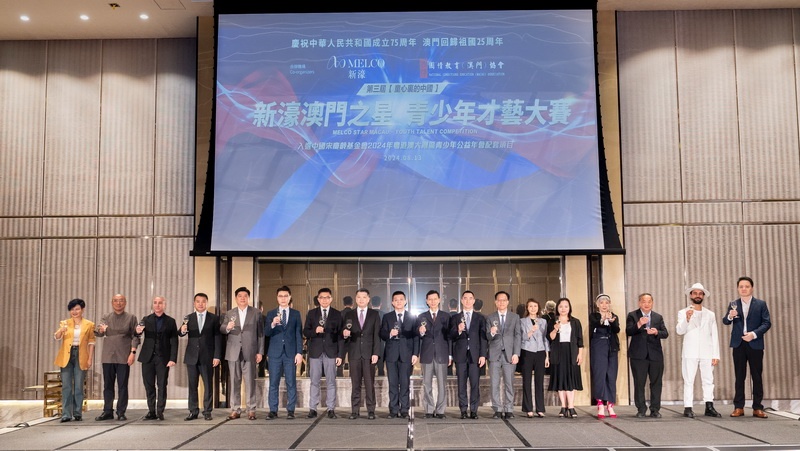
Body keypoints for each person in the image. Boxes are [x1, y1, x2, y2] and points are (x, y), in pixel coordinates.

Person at [722, 276, 771, 419]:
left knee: (757, 376)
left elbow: (767, 323)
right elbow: (725, 321)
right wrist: (730, 316)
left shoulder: (761, 304)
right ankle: (739, 407)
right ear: (738, 289)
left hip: (755, 343)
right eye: (741, 286)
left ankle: (757, 407)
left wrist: (753, 334)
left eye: (747, 286)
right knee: (739, 376)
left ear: (752, 288)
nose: (744, 289)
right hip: (738, 344)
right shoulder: (733, 304)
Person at [676, 283, 721, 418]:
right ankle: (688, 407)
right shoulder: (683, 312)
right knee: (688, 380)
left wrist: (716, 354)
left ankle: (709, 406)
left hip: (707, 351)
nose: (698, 296)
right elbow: (679, 331)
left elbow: (714, 334)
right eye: (695, 293)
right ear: (691, 295)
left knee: (708, 380)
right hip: (690, 351)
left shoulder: (710, 314)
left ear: (703, 296)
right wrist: (687, 318)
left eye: (700, 293)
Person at [221, 286, 264, 420]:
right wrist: (227, 327)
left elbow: (261, 334)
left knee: (250, 382)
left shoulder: (256, 313)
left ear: (248, 298)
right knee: (234, 382)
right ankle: (235, 409)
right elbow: (222, 328)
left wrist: (260, 352)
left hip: (250, 351)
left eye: (245, 296)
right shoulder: (230, 313)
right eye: (240, 296)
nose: (242, 298)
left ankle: (251, 410)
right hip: (233, 351)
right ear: (236, 298)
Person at [94, 293, 139, 421]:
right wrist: (101, 330)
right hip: (108, 356)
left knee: (122, 385)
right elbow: (98, 333)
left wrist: (133, 353)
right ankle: (107, 411)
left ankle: (121, 412)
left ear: (125, 303)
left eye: (121, 301)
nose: (118, 303)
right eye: (116, 301)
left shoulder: (131, 318)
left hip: (124, 356)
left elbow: (136, 336)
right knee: (108, 385)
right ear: (112, 302)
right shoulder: (106, 317)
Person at [179, 292, 221, 421]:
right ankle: (193, 411)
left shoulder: (214, 318)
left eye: (203, 301)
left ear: (206, 303)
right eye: (198, 301)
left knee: (208, 385)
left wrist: (217, 356)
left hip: (208, 357)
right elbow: (181, 333)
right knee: (193, 386)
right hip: (192, 356)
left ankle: (207, 411)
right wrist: (182, 330)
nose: (200, 304)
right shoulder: (188, 318)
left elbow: (217, 338)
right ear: (194, 303)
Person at [626, 292, 668, 418]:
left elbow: (665, 333)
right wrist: (639, 324)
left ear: (652, 303)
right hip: (638, 355)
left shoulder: (658, 317)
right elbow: (628, 331)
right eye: (644, 301)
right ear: (639, 303)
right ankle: (641, 409)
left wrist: (656, 332)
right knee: (639, 383)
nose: (646, 304)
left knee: (656, 383)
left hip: (655, 355)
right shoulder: (633, 315)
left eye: (649, 301)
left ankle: (655, 409)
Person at [303, 287, 343, 419]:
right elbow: (306, 332)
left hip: (331, 352)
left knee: (331, 381)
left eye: (327, 297)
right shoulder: (312, 313)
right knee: (314, 381)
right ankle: (312, 408)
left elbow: (340, 336)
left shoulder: (337, 314)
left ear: (331, 299)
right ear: (318, 299)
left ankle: (331, 408)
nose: (324, 300)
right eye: (322, 297)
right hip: (315, 352)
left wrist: (340, 355)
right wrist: (315, 331)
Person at [136, 296, 178, 420]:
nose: (157, 305)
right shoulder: (146, 319)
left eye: (160, 303)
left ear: (164, 305)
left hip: (163, 358)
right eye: (155, 303)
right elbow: (137, 333)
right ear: (153, 305)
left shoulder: (170, 321)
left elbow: (174, 341)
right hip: (147, 357)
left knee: (162, 385)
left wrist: (173, 358)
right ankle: (151, 411)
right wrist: (138, 331)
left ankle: (160, 411)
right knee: (149, 385)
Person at [54, 298, 95, 422]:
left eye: (77, 309)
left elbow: (91, 342)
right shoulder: (65, 323)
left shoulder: (89, 324)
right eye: (72, 309)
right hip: (66, 355)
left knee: (78, 385)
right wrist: (60, 331)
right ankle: (66, 414)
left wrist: (90, 358)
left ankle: (77, 412)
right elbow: (57, 337)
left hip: (81, 355)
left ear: (82, 310)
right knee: (66, 386)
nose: (74, 312)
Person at [264, 285, 303, 419]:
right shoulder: (271, 314)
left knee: (291, 382)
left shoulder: (296, 314)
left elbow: (298, 334)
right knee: (273, 383)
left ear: (290, 297)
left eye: (286, 296)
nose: (283, 298)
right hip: (275, 353)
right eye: (280, 296)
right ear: (277, 298)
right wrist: (273, 324)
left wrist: (299, 352)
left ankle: (290, 410)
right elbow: (266, 332)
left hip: (290, 353)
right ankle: (273, 410)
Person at [342, 289, 381, 420]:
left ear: (368, 299)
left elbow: (376, 336)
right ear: (356, 299)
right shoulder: (349, 314)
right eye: (359, 297)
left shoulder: (374, 314)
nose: (361, 299)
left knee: (370, 384)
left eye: (364, 297)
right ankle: (355, 410)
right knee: (355, 384)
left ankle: (371, 410)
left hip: (369, 354)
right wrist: (345, 334)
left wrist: (376, 353)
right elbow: (344, 331)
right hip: (354, 353)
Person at [379, 290, 419, 419]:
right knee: (393, 383)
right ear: (392, 302)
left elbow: (416, 337)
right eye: (396, 300)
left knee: (405, 383)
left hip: (406, 354)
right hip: (391, 354)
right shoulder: (387, 317)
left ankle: (405, 409)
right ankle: (393, 409)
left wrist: (415, 354)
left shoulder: (412, 317)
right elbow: (382, 333)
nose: (399, 302)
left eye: (401, 299)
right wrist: (390, 333)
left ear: (405, 301)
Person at [449, 290, 487, 419]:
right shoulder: (455, 318)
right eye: (465, 298)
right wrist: (458, 330)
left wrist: (483, 355)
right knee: (461, 384)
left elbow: (483, 338)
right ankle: (463, 410)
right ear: (461, 300)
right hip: (460, 355)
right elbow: (451, 336)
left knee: (475, 384)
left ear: (474, 301)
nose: (468, 301)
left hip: (475, 356)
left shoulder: (480, 318)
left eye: (470, 298)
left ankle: (474, 410)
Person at [415, 289, 451, 419]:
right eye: (430, 299)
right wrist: (421, 331)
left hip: (442, 354)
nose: (433, 301)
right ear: (426, 301)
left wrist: (450, 355)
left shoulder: (446, 316)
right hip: (427, 354)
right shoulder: (421, 316)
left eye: (435, 299)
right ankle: (429, 410)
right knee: (427, 384)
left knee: (442, 384)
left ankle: (440, 410)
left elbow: (450, 337)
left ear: (439, 300)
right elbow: (417, 335)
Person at [486, 290, 521, 419]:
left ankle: (509, 408)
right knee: (494, 383)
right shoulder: (490, 317)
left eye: (504, 300)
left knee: (509, 383)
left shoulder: (515, 317)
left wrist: (516, 353)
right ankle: (497, 409)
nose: (501, 302)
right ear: (495, 302)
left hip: (509, 354)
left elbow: (518, 336)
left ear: (508, 302)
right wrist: (492, 332)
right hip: (494, 354)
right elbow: (487, 337)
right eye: (499, 300)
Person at [547, 297, 584, 419]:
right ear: (557, 308)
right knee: (560, 379)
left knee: (570, 380)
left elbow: (580, 340)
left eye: (566, 306)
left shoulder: (575, 322)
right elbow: (550, 338)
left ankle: (571, 406)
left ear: (569, 308)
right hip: (558, 352)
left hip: (571, 352)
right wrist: (555, 329)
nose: (563, 309)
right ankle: (563, 406)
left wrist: (580, 354)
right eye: (561, 306)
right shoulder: (552, 321)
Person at [589, 294, 620, 419]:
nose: (604, 305)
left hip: (611, 346)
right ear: (597, 305)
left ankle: (610, 404)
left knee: (611, 374)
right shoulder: (594, 316)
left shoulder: (614, 316)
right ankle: (600, 403)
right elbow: (595, 325)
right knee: (600, 374)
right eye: (601, 303)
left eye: (606, 303)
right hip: (598, 346)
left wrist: (612, 322)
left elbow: (617, 330)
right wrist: (603, 319)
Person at [520, 298, 549, 418]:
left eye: (535, 306)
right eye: (530, 306)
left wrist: (547, 356)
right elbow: (522, 337)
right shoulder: (522, 321)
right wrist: (531, 331)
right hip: (527, 351)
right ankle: (528, 408)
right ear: (527, 308)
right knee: (526, 380)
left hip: (540, 351)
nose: (533, 308)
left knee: (539, 380)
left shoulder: (543, 321)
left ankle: (540, 408)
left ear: (538, 308)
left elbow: (545, 338)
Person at [338, 295, 355, 377]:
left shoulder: (339, 314)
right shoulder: (355, 313)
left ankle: (339, 376)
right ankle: (353, 376)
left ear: (343, 304)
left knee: (340, 360)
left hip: (341, 340)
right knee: (353, 361)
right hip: (353, 340)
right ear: (352, 303)